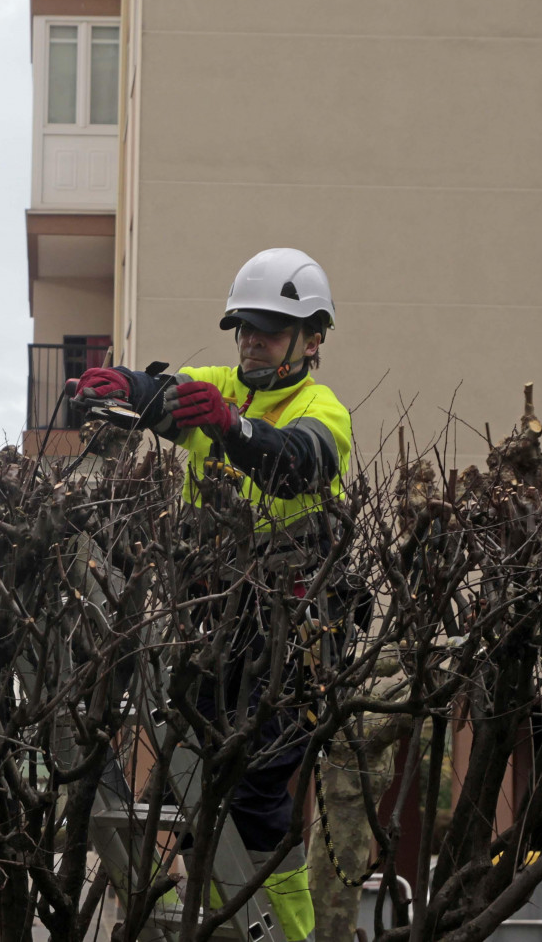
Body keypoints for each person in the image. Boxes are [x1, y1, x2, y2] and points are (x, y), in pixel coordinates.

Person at [71, 247, 352, 942]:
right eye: (244, 327)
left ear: (310, 339)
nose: (251, 339)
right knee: (189, 789)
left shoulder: (323, 410)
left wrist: (232, 427)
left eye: (269, 328)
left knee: (254, 797)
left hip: (295, 635)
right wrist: (121, 385)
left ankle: (286, 932)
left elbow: (298, 464)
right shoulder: (217, 383)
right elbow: (159, 392)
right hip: (214, 624)